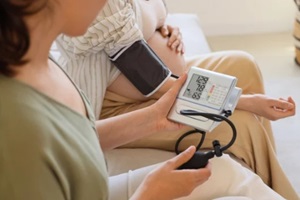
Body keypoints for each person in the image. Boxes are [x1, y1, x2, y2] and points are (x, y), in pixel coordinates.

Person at [0, 0, 289, 199]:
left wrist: (152, 119)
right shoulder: (20, 130)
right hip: (129, 104)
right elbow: (148, 74)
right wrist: (147, 195)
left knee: (226, 167)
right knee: (238, 128)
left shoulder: (47, 69)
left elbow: (77, 137)